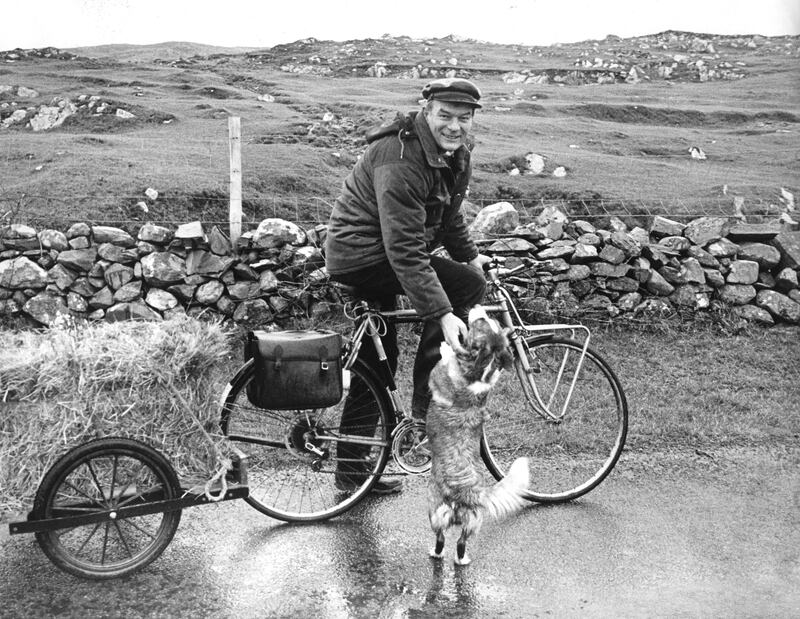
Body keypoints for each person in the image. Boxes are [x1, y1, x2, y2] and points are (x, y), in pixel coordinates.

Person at [324, 78, 491, 493]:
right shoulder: (398, 156)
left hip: (382, 253)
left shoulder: (455, 155)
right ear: (426, 110)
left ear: (472, 120)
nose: (454, 126)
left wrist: (471, 257)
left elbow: (449, 218)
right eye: (445, 116)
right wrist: (443, 313)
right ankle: (424, 406)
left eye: (463, 118)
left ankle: (351, 472)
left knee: (377, 360)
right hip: (362, 255)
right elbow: (405, 250)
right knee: (465, 288)